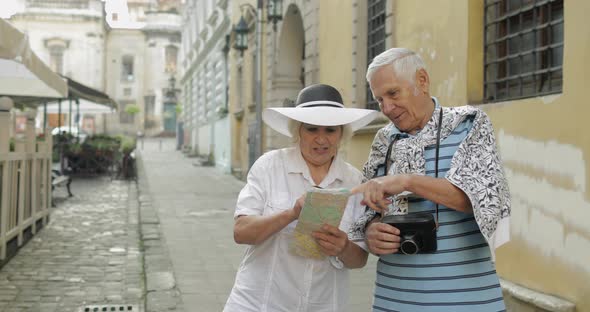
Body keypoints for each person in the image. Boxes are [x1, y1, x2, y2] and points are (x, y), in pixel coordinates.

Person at [348, 48, 511, 311]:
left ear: (421, 81)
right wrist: (371, 233)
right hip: (394, 298)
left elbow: (481, 198)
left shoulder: (470, 124)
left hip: (467, 300)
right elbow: (368, 213)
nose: (387, 108)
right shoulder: (383, 141)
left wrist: (407, 181)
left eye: (393, 93)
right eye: (379, 100)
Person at [223, 84, 378, 312]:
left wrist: (343, 247)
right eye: (312, 129)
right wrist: (291, 214)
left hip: (324, 304)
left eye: (330, 130)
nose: (321, 140)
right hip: (260, 303)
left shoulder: (354, 182)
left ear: (342, 133)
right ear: (298, 131)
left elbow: (359, 260)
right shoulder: (270, 166)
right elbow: (241, 232)